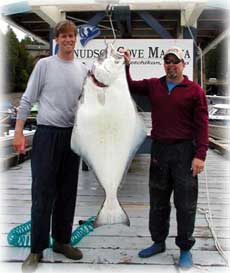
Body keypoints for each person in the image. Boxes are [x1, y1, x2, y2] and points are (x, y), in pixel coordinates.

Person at [13, 20, 89, 272]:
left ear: (76, 39)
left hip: (72, 138)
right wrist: (19, 132)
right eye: (64, 36)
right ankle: (36, 249)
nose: (68, 40)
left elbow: (88, 103)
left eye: (72, 36)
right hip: (46, 135)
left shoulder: (82, 68)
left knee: (68, 193)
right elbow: (27, 99)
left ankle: (62, 241)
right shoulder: (44, 65)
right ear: (56, 40)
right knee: (43, 193)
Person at [122, 46, 208, 269]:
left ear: (183, 64)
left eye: (175, 61)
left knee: (186, 204)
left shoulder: (195, 91)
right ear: (164, 64)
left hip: (185, 153)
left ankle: (185, 248)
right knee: (158, 202)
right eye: (167, 61)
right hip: (159, 150)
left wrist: (200, 155)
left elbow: (202, 126)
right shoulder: (153, 85)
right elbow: (129, 86)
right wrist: (126, 65)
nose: (171, 65)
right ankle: (158, 242)